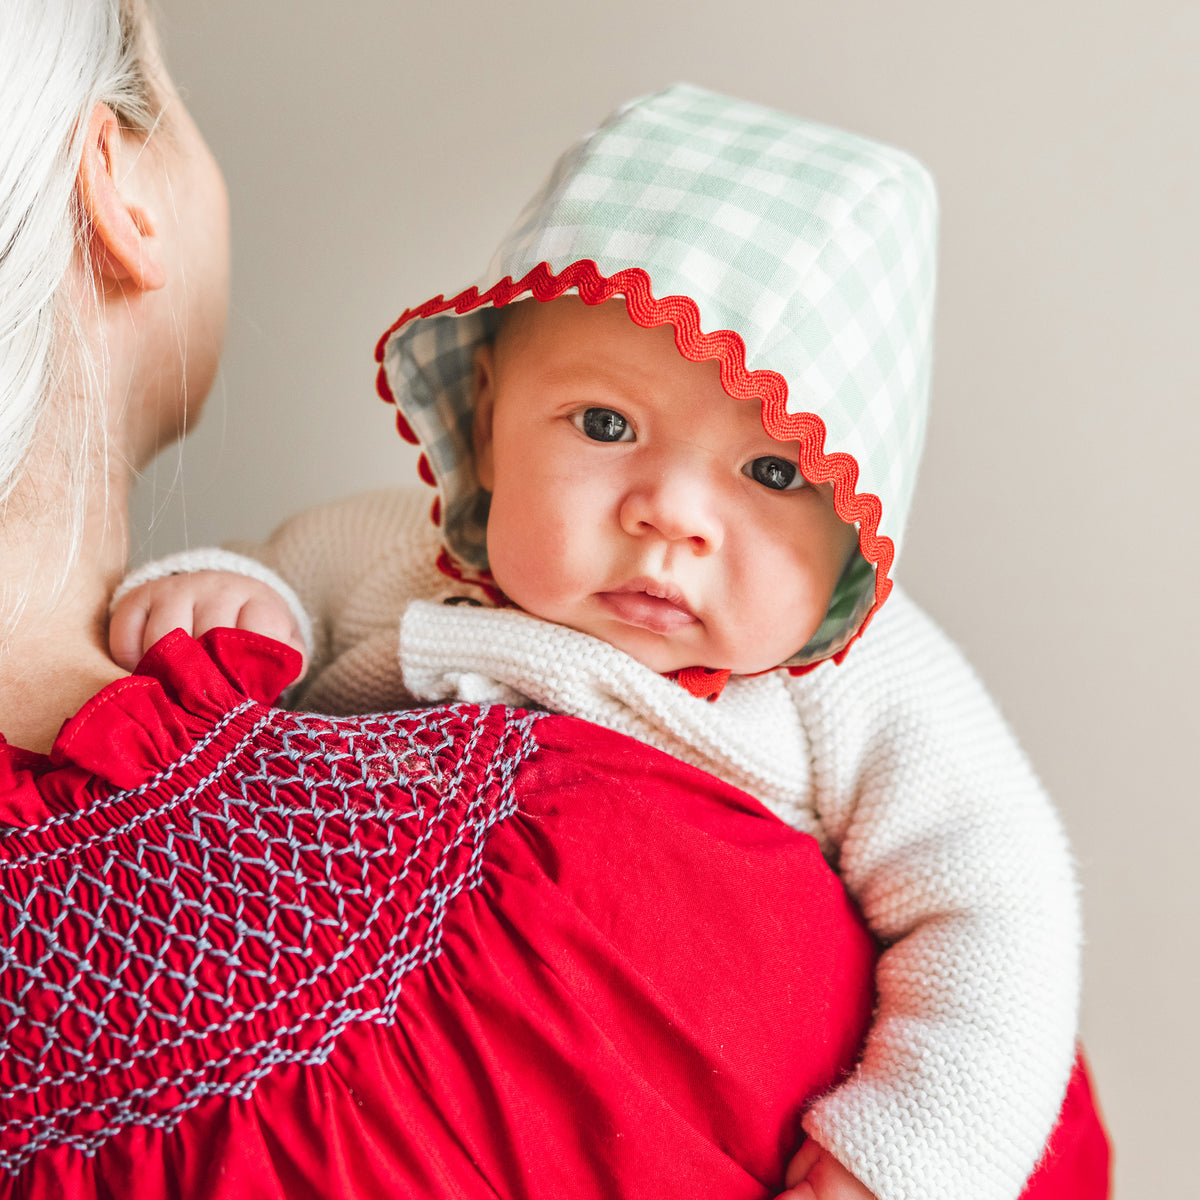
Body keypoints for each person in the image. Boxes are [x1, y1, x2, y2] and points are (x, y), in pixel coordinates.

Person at [0, 5, 1112, 1198]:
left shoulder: (854, 677)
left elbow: (1002, 903)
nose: (670, 513)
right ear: (486, 419)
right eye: (606, 424)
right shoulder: (418, 555)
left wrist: (908, 1158)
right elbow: (291, 581)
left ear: (851, 517)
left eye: (774, 471)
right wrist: (232, 593)